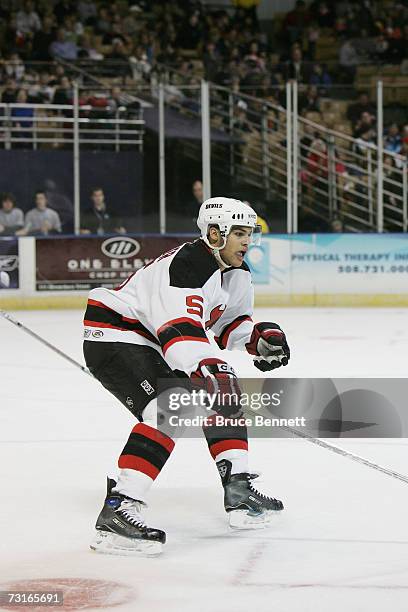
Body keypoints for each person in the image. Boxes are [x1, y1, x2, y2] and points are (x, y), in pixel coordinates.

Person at [83, 197, 290, 556]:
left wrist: (258, 340)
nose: (247, 241)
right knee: (171, 410)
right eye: (238, 233)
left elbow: (229, 324)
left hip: (152, 342)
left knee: (221, 394)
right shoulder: (188, 264)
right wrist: (208, 367)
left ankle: (239, 490)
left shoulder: (237, 271)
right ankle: (119, 509)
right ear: (214, 234)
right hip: (117, 338)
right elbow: (177, 329)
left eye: (249, 233)